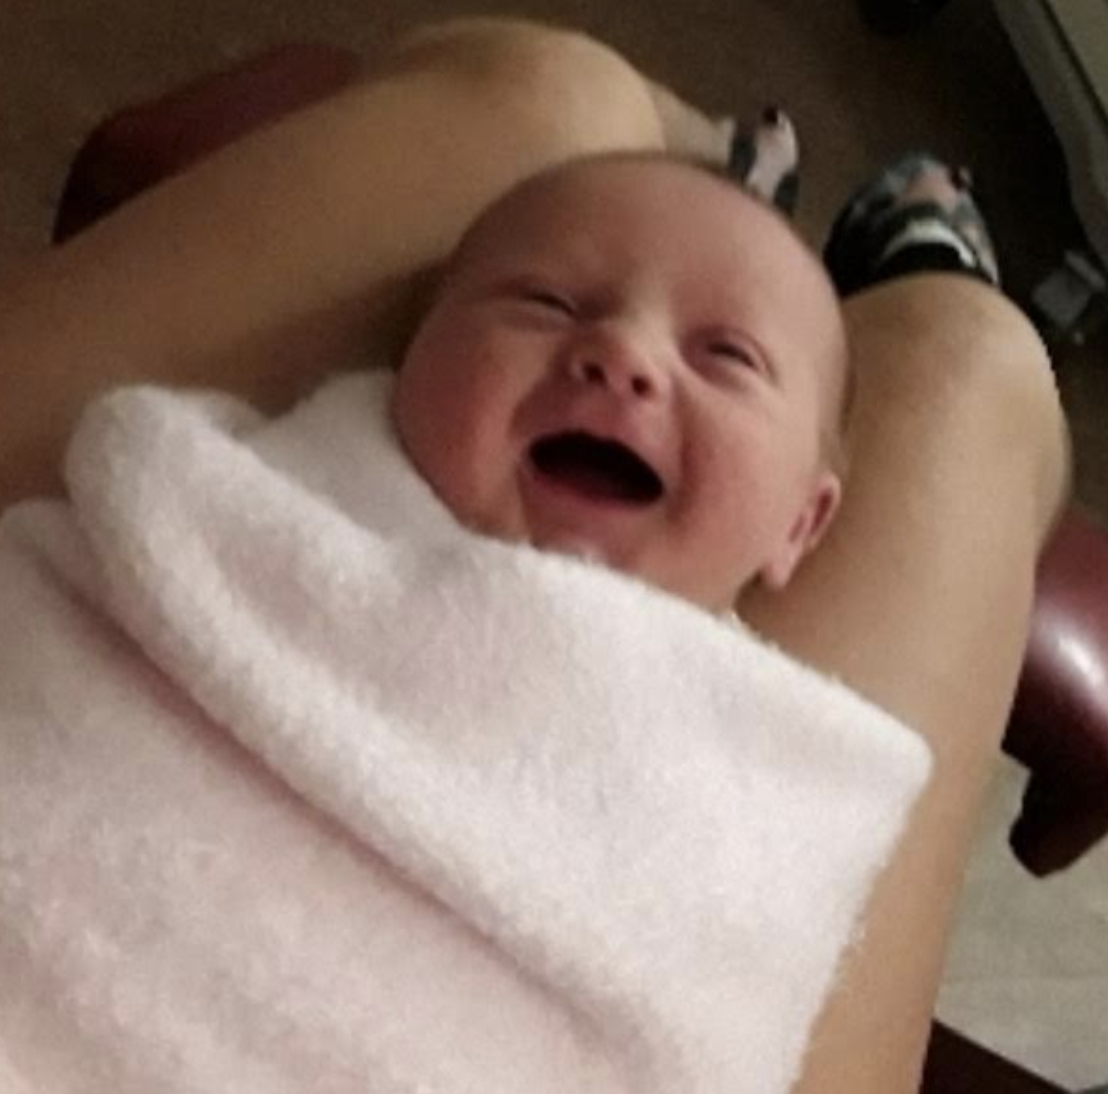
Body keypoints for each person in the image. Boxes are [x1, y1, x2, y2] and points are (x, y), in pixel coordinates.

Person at [0, 17, 1070, 1094]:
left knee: (549, 96)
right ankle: (890, 247)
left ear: (803, 524)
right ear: (400, 364)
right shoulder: (273, 498)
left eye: (724, 356)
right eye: (545, 304)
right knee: (971, 363)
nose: (620, 352)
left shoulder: (768, 766)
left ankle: (728, 175)